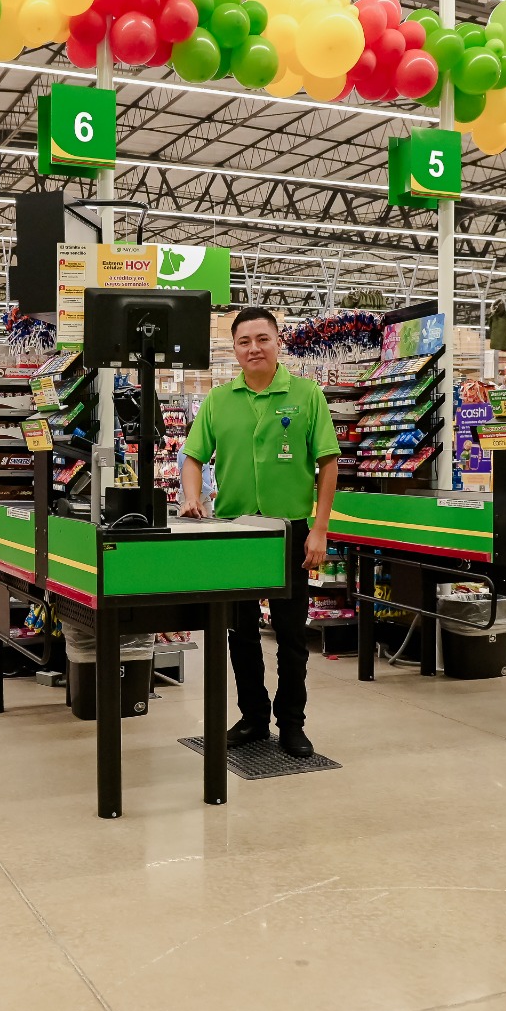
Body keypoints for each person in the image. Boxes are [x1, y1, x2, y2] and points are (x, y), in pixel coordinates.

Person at [181, 306, 340, 758]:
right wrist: (191, 496)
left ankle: (292, 723)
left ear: (277, 342)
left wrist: (320, 528)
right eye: (244, 341)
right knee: (241, 634)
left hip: (291, 531)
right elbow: (193, 457)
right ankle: (253, 717)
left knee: (291, 637)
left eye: (262, 339)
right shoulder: (218, 400)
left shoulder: (306, 394)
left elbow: (328, 462)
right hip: (238, 533)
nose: (254, 348)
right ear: (233, 349)